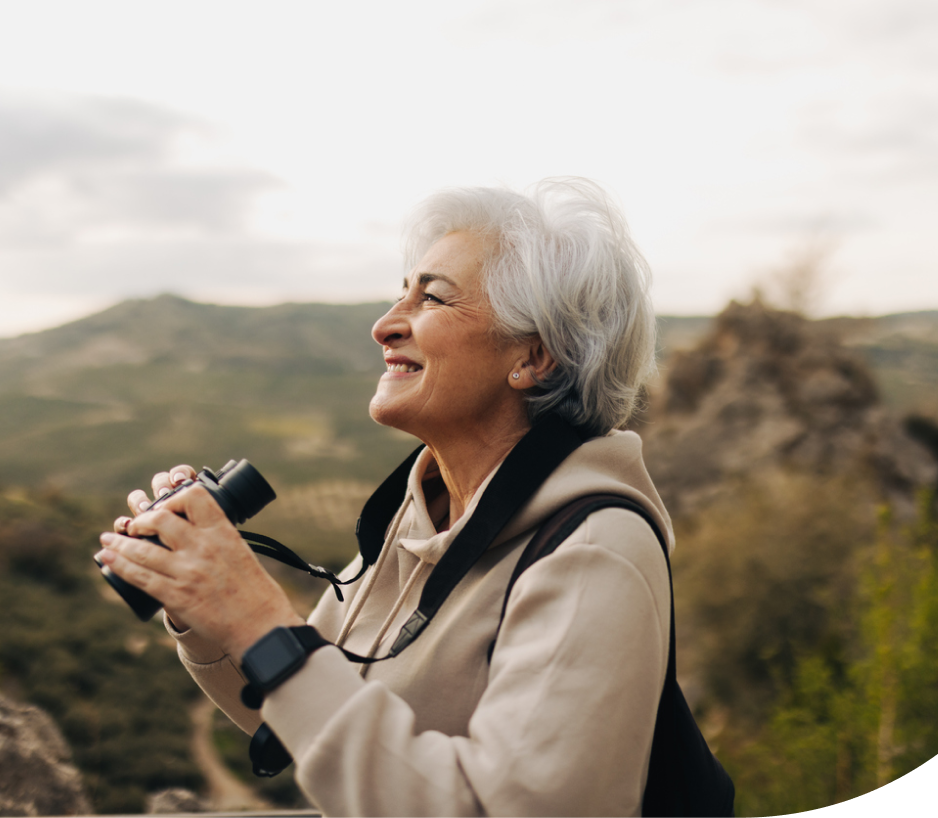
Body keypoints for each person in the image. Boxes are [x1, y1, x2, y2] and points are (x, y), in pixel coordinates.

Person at [97, 177, 674, 818]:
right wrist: (202, 601)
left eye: (432, 298)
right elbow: (303, 701)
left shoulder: (592, 552)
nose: (384, 325)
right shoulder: (423, 513)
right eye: (401, 292)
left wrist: (257, 617)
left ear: (534, 357)